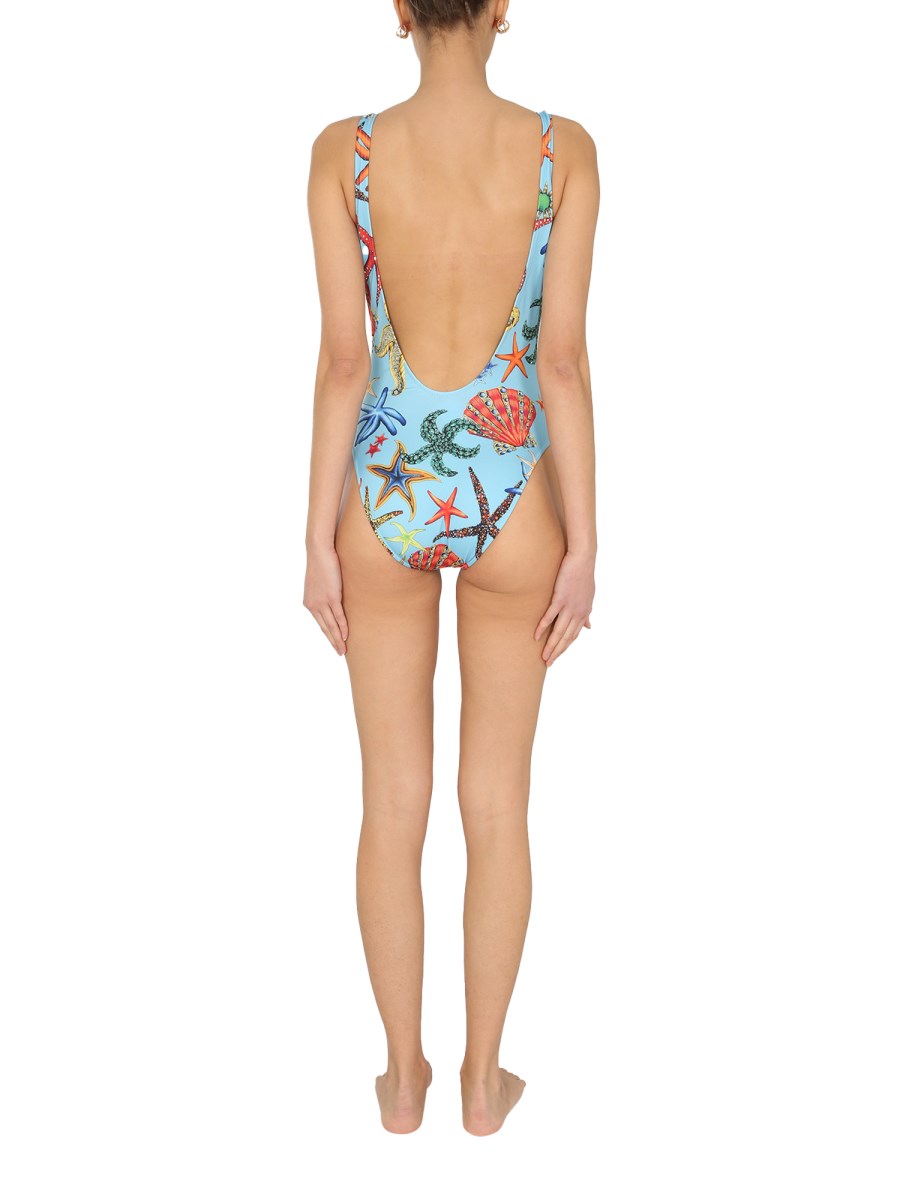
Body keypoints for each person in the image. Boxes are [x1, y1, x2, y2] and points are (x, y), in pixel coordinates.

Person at [304, 0, 600, 1136]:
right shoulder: (561, 152)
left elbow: (344, 361)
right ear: (503, 4)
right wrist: (586, 544)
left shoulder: (345, 154)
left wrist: (315, 538)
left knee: (391, 799)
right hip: (515, 495)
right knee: (497, 801)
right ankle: (483, 1081)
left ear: (398, 7)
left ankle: (402, 1081)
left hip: (380, 496)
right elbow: (561, 361)